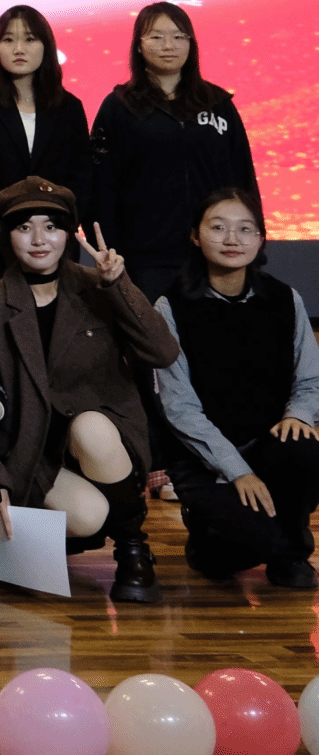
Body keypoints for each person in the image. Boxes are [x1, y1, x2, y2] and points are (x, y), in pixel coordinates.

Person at [0, 177, 179, 602]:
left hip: (104, 443)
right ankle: (56, 533)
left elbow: (163, 352)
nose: (39, 239)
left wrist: (118, 284)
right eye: (24, 227)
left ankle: (133, 546)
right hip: (36, 453)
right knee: (89, 516)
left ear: (69, 233)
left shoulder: (98, 285)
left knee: (90, 427)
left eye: (52, 227)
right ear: (7, 236)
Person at [157, 188, 319, 588]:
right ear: (195, 235)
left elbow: (310, 379)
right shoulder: (170, 306)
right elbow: (179, 408)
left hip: (267, 444)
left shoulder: (284, 298)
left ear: (261, 238)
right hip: (204, 458)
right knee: (246, 547)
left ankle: (292, 555)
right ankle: (208, 539)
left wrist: (298, 415)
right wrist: (238, 471)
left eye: (245, 229)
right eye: (218, 228)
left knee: (303, 444)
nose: (232, 239)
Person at [92, 1, 260, 304]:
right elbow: (101, 188)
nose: (168, 45)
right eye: (156, 37)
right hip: (145, 260)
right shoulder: (119, 107)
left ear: (191, 44)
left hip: (215, 255)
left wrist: (253, 243)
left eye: (179, 36)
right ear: (139, 45)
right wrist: (110, 253)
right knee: (153, 334)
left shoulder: (218, 104)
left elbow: (243, 179)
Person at [0, 5, 92, 294]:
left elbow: (80, 179)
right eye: (8, 40)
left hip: (55, 251)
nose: (19, 48)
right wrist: (16, 232)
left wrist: (50, 231)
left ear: (46, 46)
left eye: (30, 39)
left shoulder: (69, 107)